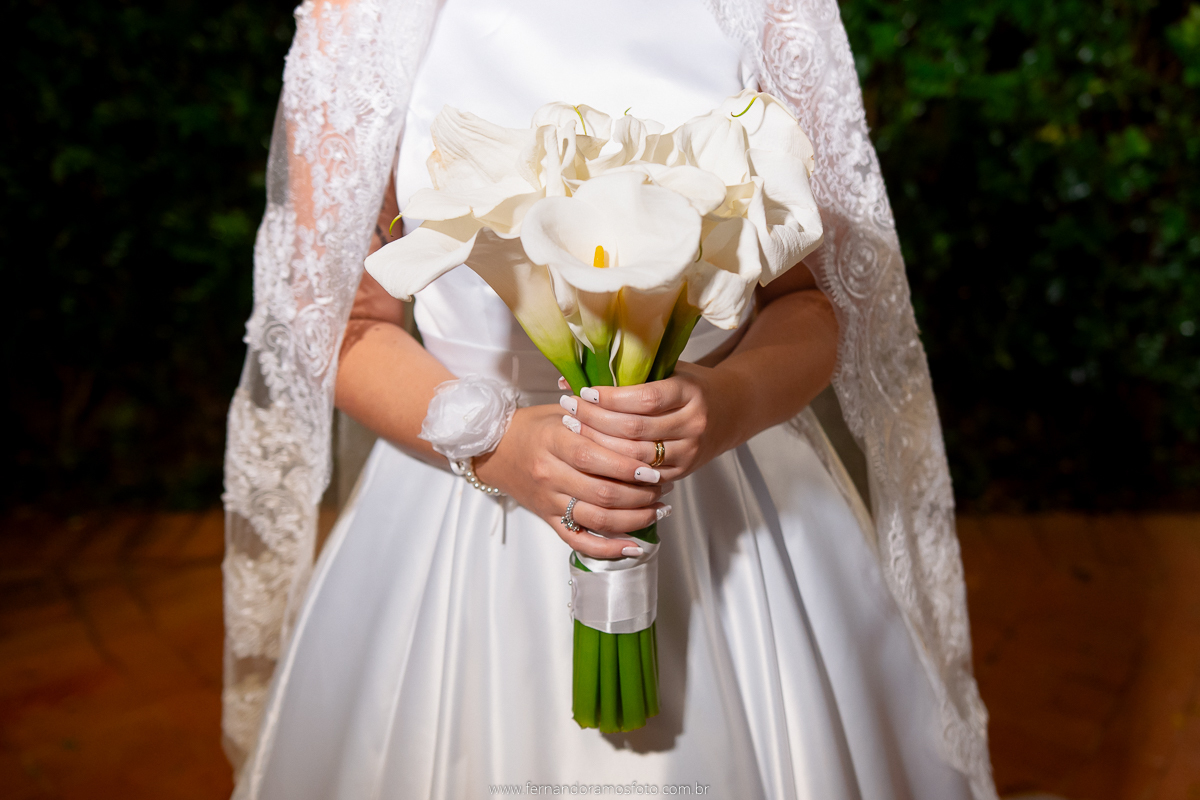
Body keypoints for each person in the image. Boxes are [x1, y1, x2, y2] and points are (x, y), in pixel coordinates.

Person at [221, 1, 998, 798]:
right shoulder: (368, 13)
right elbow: (341, 328)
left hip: (727, 488)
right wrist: (496, 443)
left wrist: (724, 400)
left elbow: (813, 300)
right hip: (463, 507)